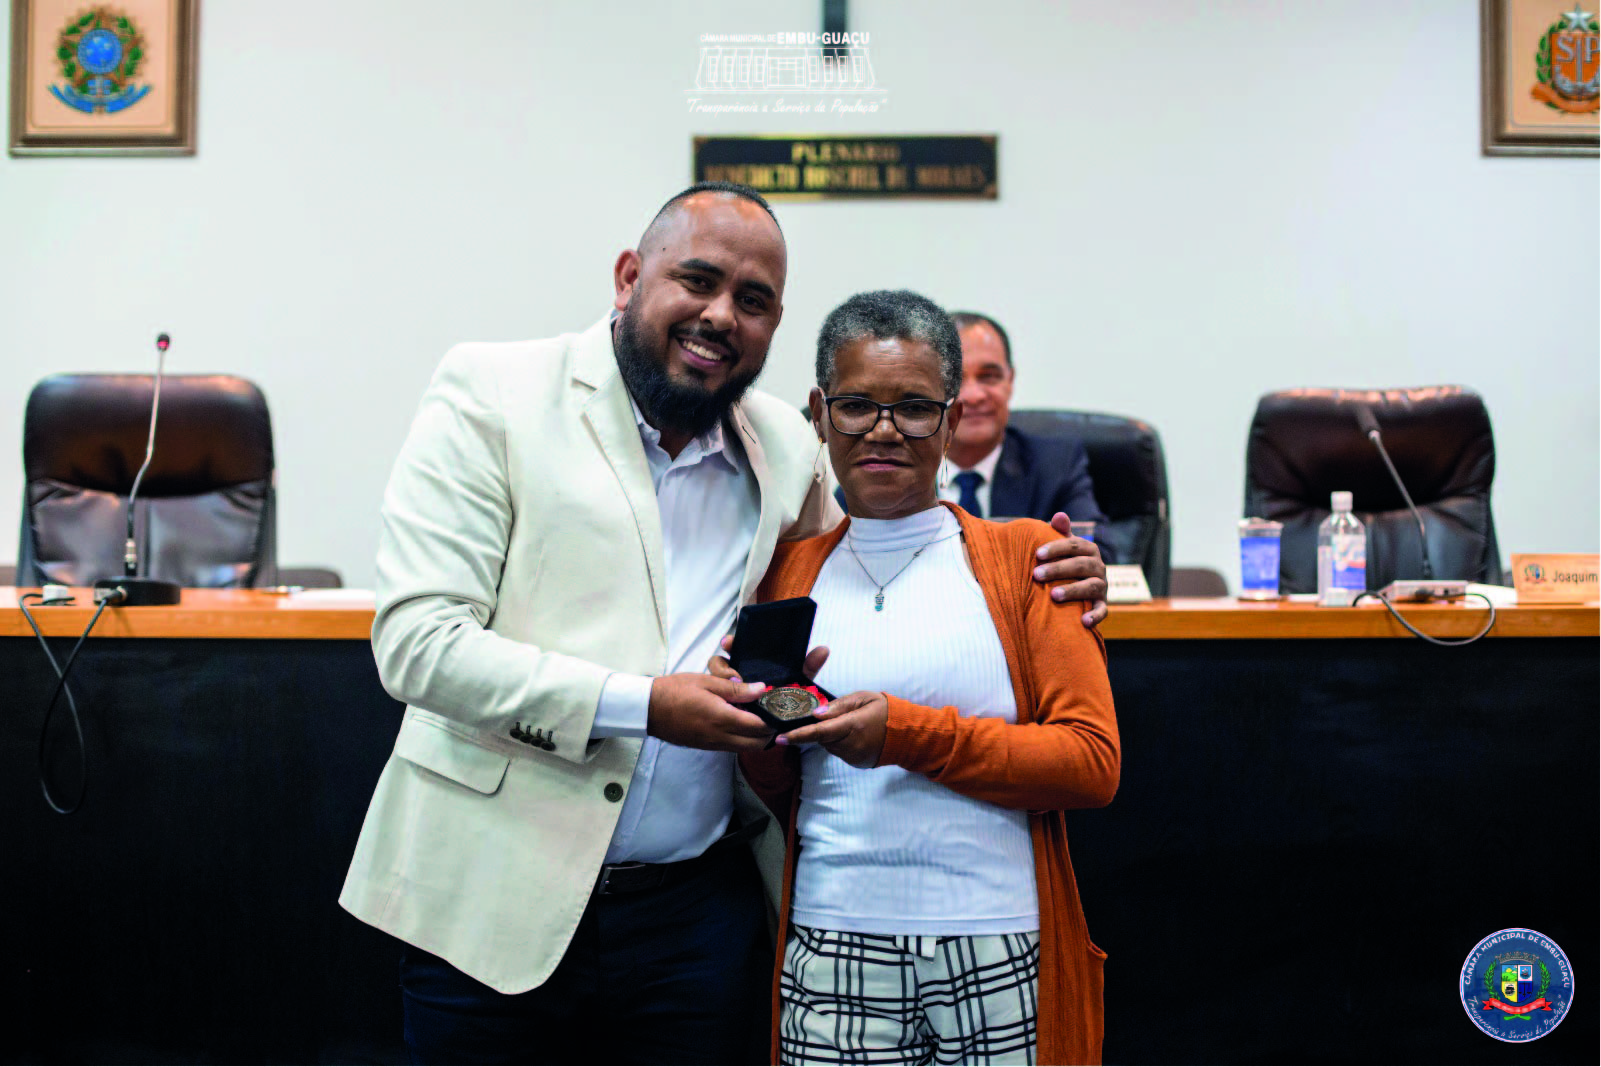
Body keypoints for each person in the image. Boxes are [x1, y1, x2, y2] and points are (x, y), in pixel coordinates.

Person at [338, 183, 1111, 1064]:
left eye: (752, 300)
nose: (719, 316)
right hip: (493, 894)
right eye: (697, 280)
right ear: (629, 276)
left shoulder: (784, 444)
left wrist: (1066, 567)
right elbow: (419, 643)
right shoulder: (494, 391)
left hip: (696, 918)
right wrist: (644, 704)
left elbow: (889, 566)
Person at [729, 290, 1119, 1066]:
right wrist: (756, 725)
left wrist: (903, 734)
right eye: (855, 405)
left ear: (949, 419)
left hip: (999, 947)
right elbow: (776, 785)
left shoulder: (1032, 559)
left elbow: (1089, 762)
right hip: (834, 944)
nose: (883, 430)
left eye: (912, 407)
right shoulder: (782, 575)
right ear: (819, 413)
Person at [946, 311, 1107, 527]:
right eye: (955, 380)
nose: (974, 396)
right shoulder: (903, 468)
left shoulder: (1057, 466)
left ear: (1010, 380)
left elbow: (1093, 542)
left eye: (988, 376)